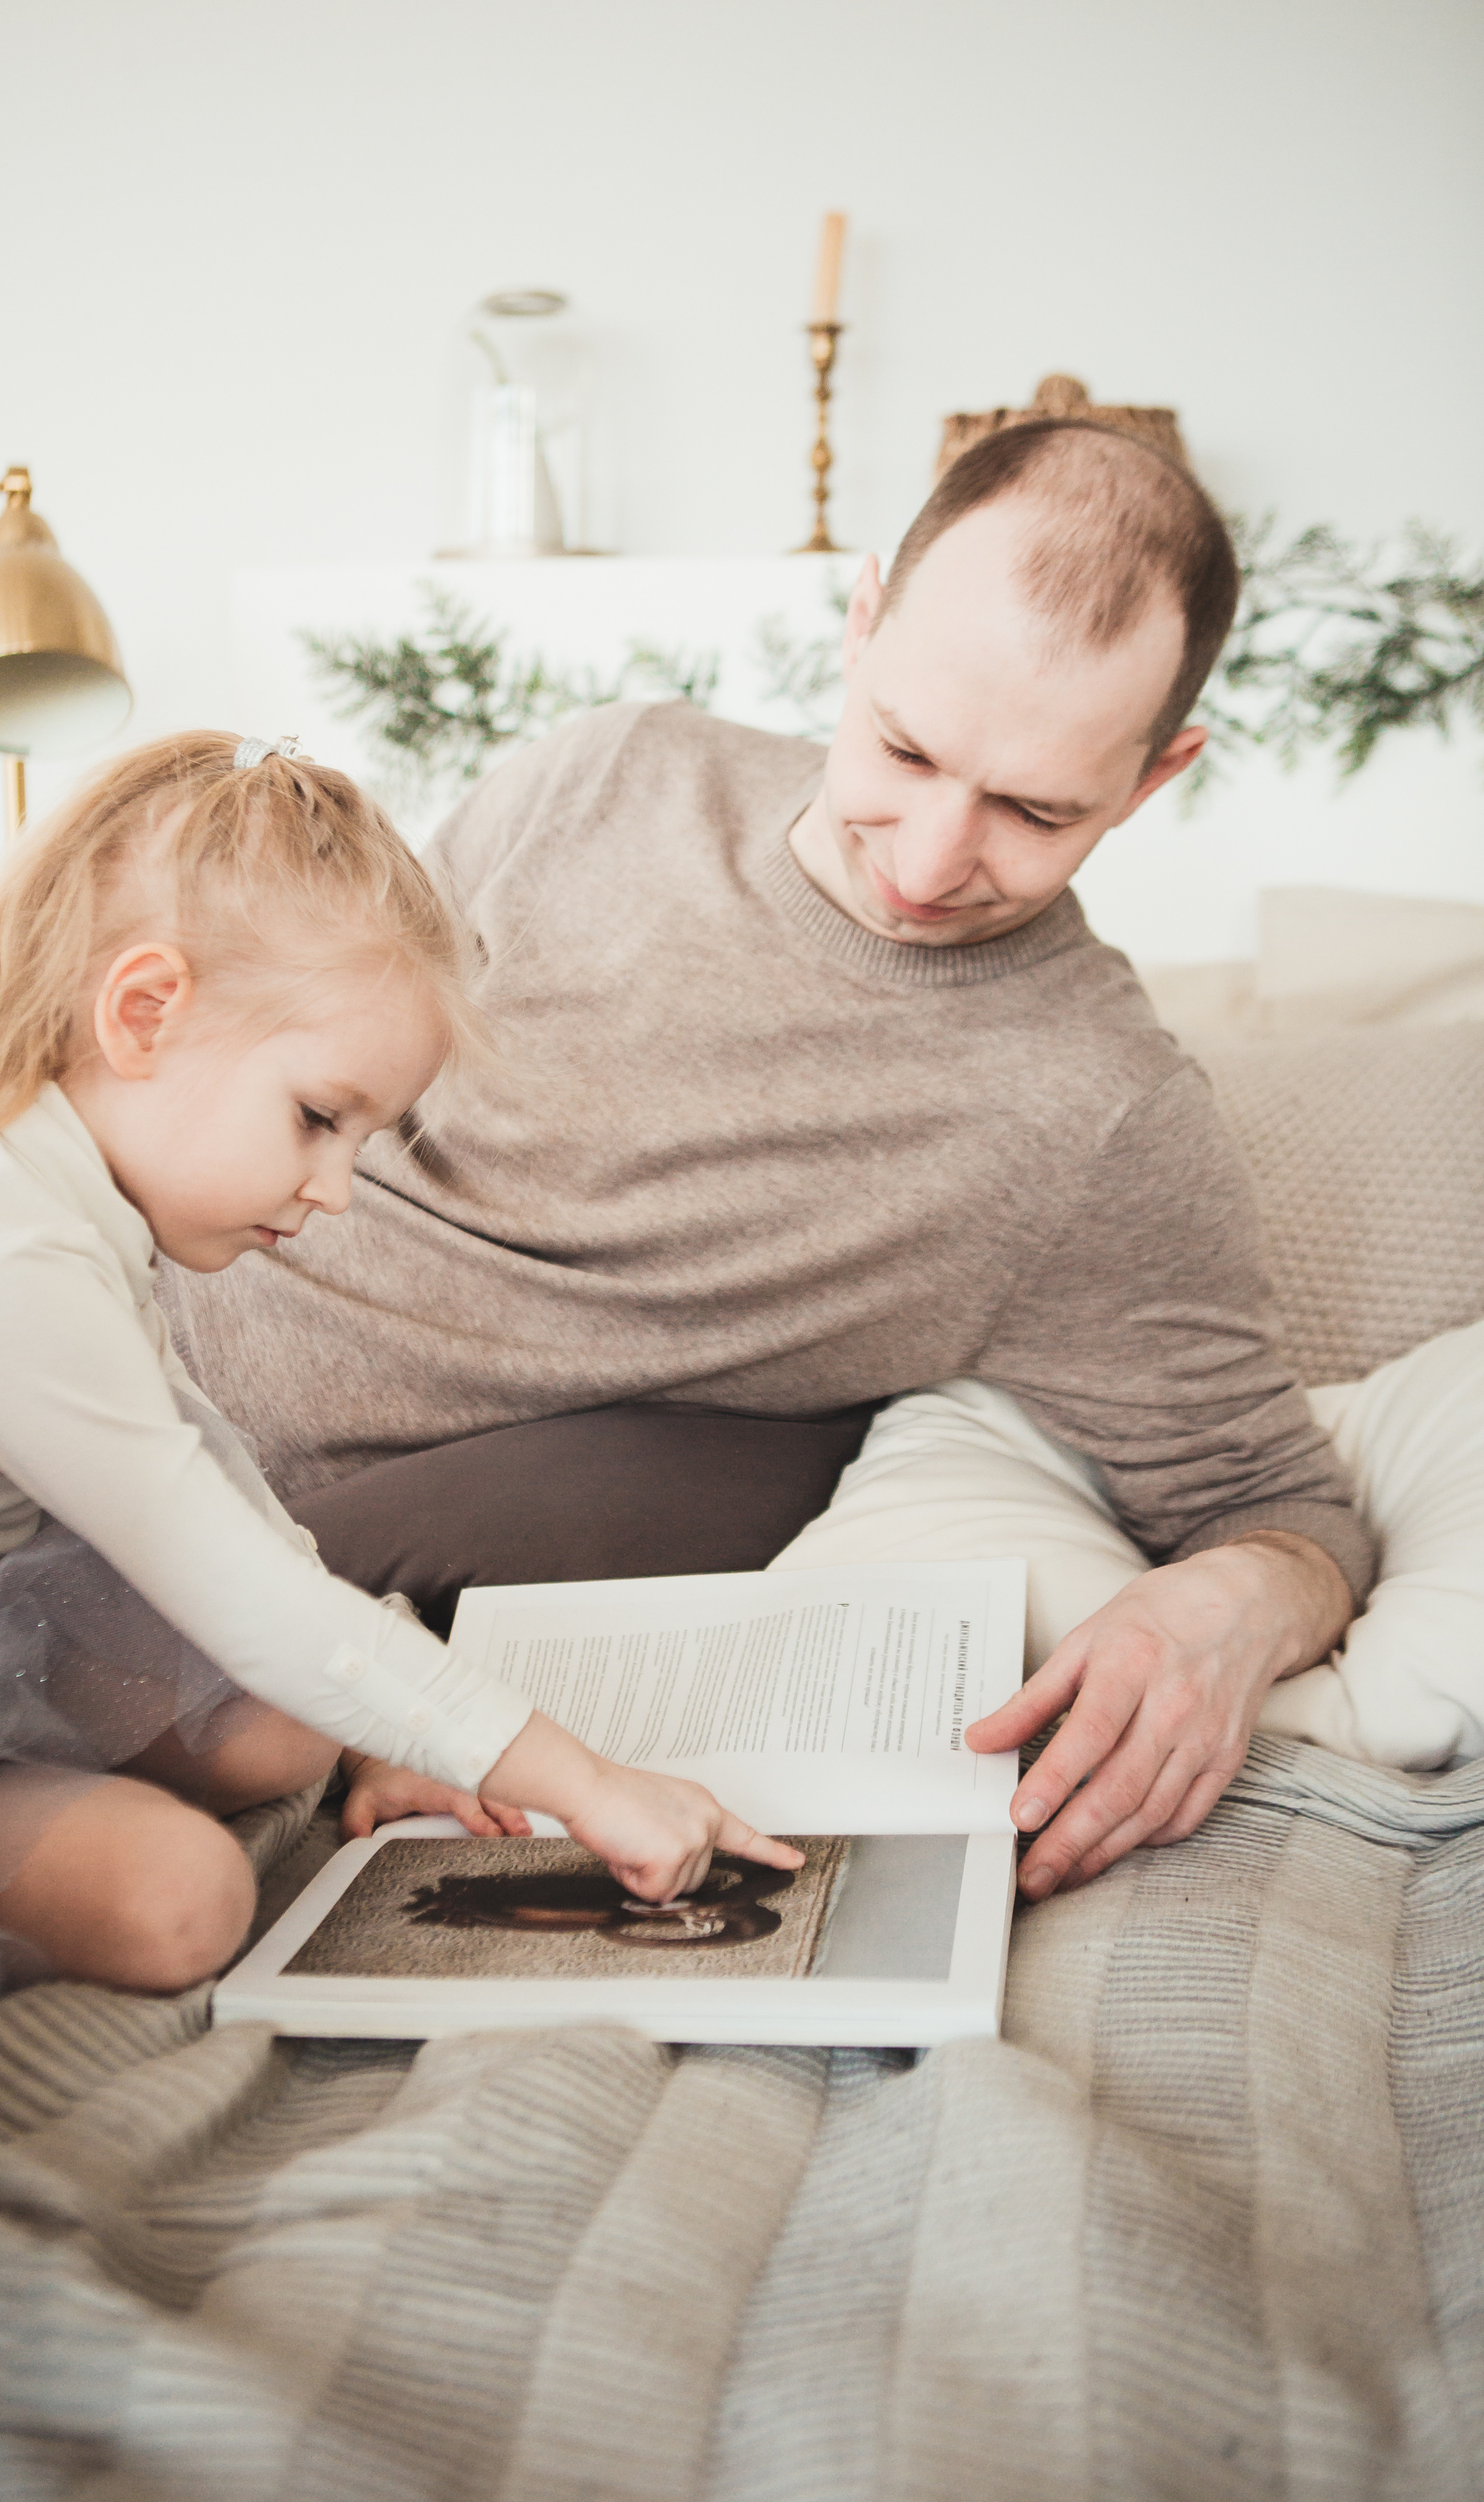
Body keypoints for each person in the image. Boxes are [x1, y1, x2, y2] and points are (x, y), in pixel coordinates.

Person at [159, 420, 1376, 1902]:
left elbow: (1281, 1501)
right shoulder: (606, 774)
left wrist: (1231, 1613)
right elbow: (302, 1049)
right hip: (88, 1306)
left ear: (1152, 776)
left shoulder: (1097, 1119)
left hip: (251, 1553)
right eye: (905, 749)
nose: (927, 862)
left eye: (1036, 811)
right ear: (860, 625)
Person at [0, 736, 797, 2014]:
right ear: (143, 1015)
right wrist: (586, 1783)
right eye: (316, 1118)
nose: (337, 1191)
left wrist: (409, 1730)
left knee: (297, 1727)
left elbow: (236, 1507)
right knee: (185, 1900)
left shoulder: (68, 1203)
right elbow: (233, 1586)